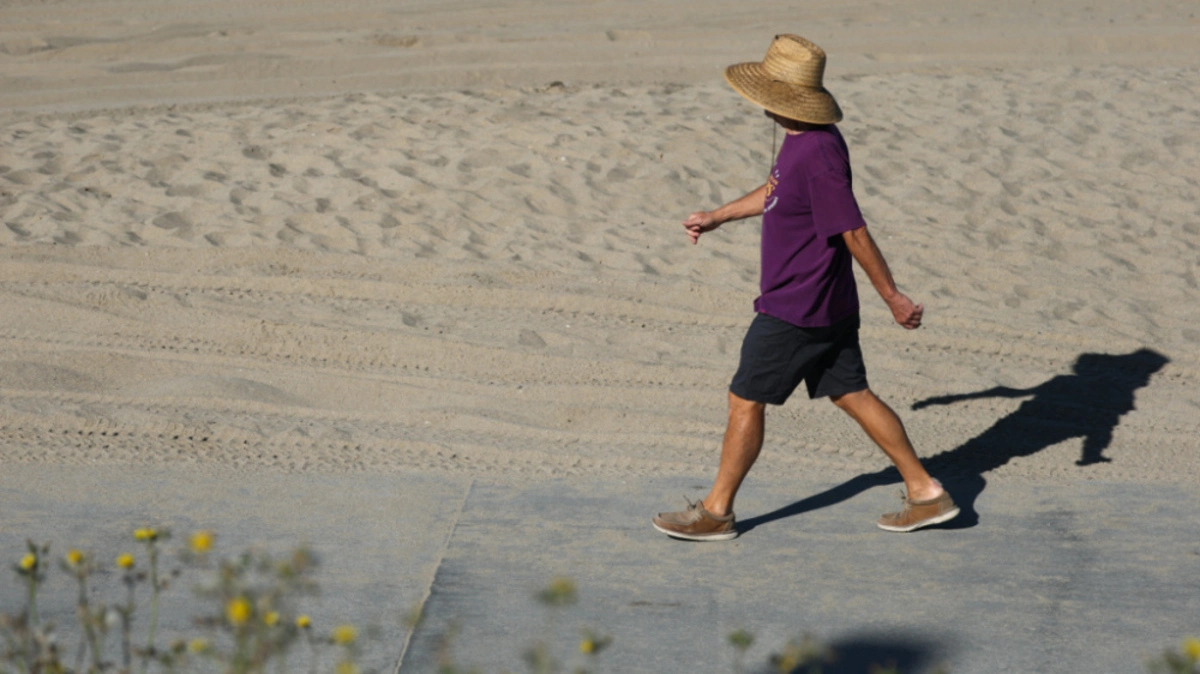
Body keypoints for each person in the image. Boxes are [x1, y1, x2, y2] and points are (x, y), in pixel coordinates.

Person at [652, 34, 958, 541]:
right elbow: (778, 192)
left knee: (745, 400)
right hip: (827, 302)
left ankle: (716, 512)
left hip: (797, 305)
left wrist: (893, 297)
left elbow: (853, 231)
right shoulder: (807, 140)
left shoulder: (817, 154)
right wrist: (719, 216)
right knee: (852, 394)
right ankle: (926, 492)